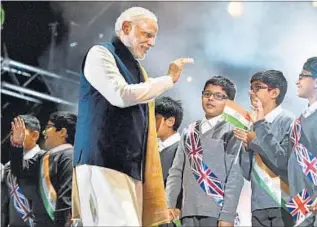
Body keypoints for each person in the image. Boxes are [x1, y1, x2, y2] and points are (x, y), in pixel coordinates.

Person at [72, 6, 193, 226]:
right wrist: (168, 80)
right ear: (126, 27)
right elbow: (121, 94)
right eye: (147, 34)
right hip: (103, 160)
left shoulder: (136, 68)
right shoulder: (100, 54)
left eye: (153, 37)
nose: (152, 43)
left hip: (127, 165)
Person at [251, 57, 317, 226]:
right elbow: (281, 160)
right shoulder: (299, 121)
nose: (297, 81)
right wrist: (260, 124)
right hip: (300, 206)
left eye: (302, 76)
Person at [166, 76, 244, 227]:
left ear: (229, 103)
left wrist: (227, 215)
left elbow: (235, 175)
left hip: (216, 212)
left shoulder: (232, 131)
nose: (211, 99)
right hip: (188, 213)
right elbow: (176, 172)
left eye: (219, 96)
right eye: (207, 94)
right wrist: (169, 204)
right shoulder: (189, 131)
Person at [233, 70, 294, 226]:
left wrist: (255, 141)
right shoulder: (251, 124)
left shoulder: (288, 121)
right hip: (258, 204)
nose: (250, 92)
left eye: (257, 87)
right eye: (251, 88)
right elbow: (247, 173)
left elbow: (283, 162)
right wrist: (246, 149)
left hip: (283, 202)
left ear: (274, 92)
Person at [9, 111, 77, 227]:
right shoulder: (44, 157)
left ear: (62, 132)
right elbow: (19, 171)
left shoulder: (69, 155)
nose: (44, 132)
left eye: (48, 127)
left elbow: (65, 198)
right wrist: (17, 145)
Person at [1, 114, 42, 227]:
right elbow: (5, 199)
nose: (14, 136)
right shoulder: (9, 165)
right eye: (13, 132)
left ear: (34, 135)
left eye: (20, 132)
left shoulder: (44, 160)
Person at [155, 96, 184, 227]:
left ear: (170, 121)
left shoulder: (182, 148)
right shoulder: (153, 148)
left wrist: (177, 207)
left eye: (155, 118)